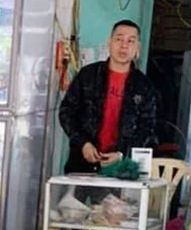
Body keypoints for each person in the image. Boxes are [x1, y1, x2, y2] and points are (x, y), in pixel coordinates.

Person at [58, 20, 159, 174]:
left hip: (120, 168)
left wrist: (122, 153)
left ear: (137, 47)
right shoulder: (88, 75)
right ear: (109, 42)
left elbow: (148, 129)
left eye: (130, 41)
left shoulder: (144, 86)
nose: (124, 45)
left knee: (114, 200)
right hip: (82, 160)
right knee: (73, 199)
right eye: (119, 39)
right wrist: (83, 143)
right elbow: (66, 112)